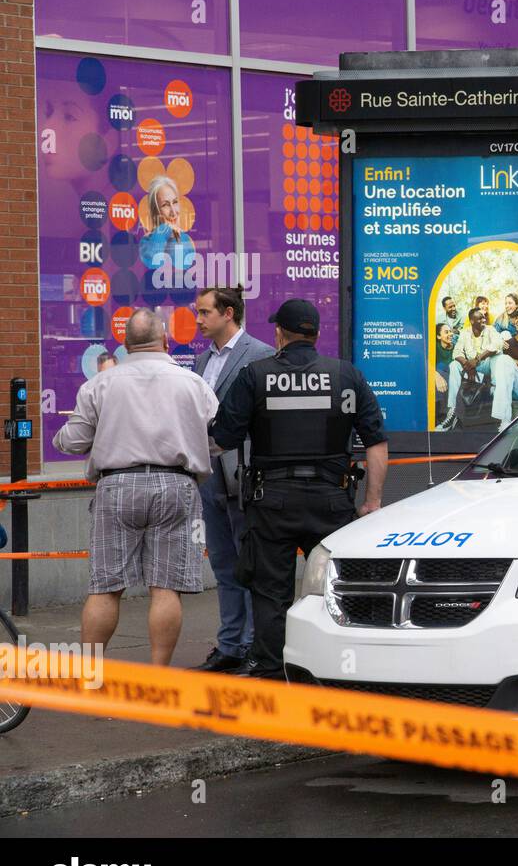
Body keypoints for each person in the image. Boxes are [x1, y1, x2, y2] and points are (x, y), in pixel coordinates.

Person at [211, 299, 388, 679]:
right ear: (317, 334)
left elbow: (223, 439)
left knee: (271, 592)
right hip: (331, 501)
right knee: (337, 588)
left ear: (280, 334)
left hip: (271, 502)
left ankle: (271, 669)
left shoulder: (255, 375)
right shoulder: (346, 375)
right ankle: (345, 665)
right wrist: (372, 502)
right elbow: (375, 440)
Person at [53, 308, 218, 665]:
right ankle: (157, 678)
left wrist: (64, 436)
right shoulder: (192, 384)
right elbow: (217, 438)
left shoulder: (99, 384)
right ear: (165, 341)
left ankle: (91, 675)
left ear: (125, 344)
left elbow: (73, 441)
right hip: (177, 485)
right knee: (166, 587)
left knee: (105, 588)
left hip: (117, 485)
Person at [189, 286, 275, 673]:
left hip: (244, 472)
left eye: (205, 312)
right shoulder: (202, 360)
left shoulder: (260, 355)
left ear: (228, 313)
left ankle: (256, 647)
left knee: (250, 565)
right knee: (224, 564)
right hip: (209, 474)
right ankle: (229, 644)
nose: (199, 320)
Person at [439, 306, 518, 433]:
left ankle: (500, 408)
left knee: (498, 358)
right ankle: (453, 410)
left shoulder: (490, 329)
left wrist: (476, 360)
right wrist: (468, 364)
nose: (484, 319)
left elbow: (497, 345)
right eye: (480, 318)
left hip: (488, 365)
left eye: (484, 317)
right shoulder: (465, 333)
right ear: (472, 320)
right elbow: (457, 352)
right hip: (473, 368)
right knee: (454, 365)